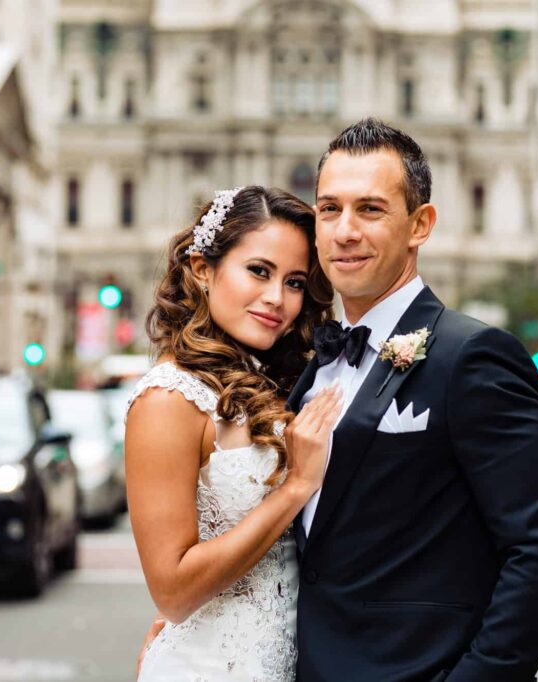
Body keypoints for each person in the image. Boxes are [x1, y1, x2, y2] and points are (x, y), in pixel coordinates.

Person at [287, 118, 538, 681]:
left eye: (370, 209)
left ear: (419, 224)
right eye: (329, 210)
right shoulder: (314, 364)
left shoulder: (473, 356)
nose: (343, 231)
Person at [126, 185, 343, 681]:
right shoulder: (168, 399)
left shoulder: (283, 381)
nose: (277, 299)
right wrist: (295, 487)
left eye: (294, 283)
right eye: (259, 271)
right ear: (204, 269)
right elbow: (174, 592)